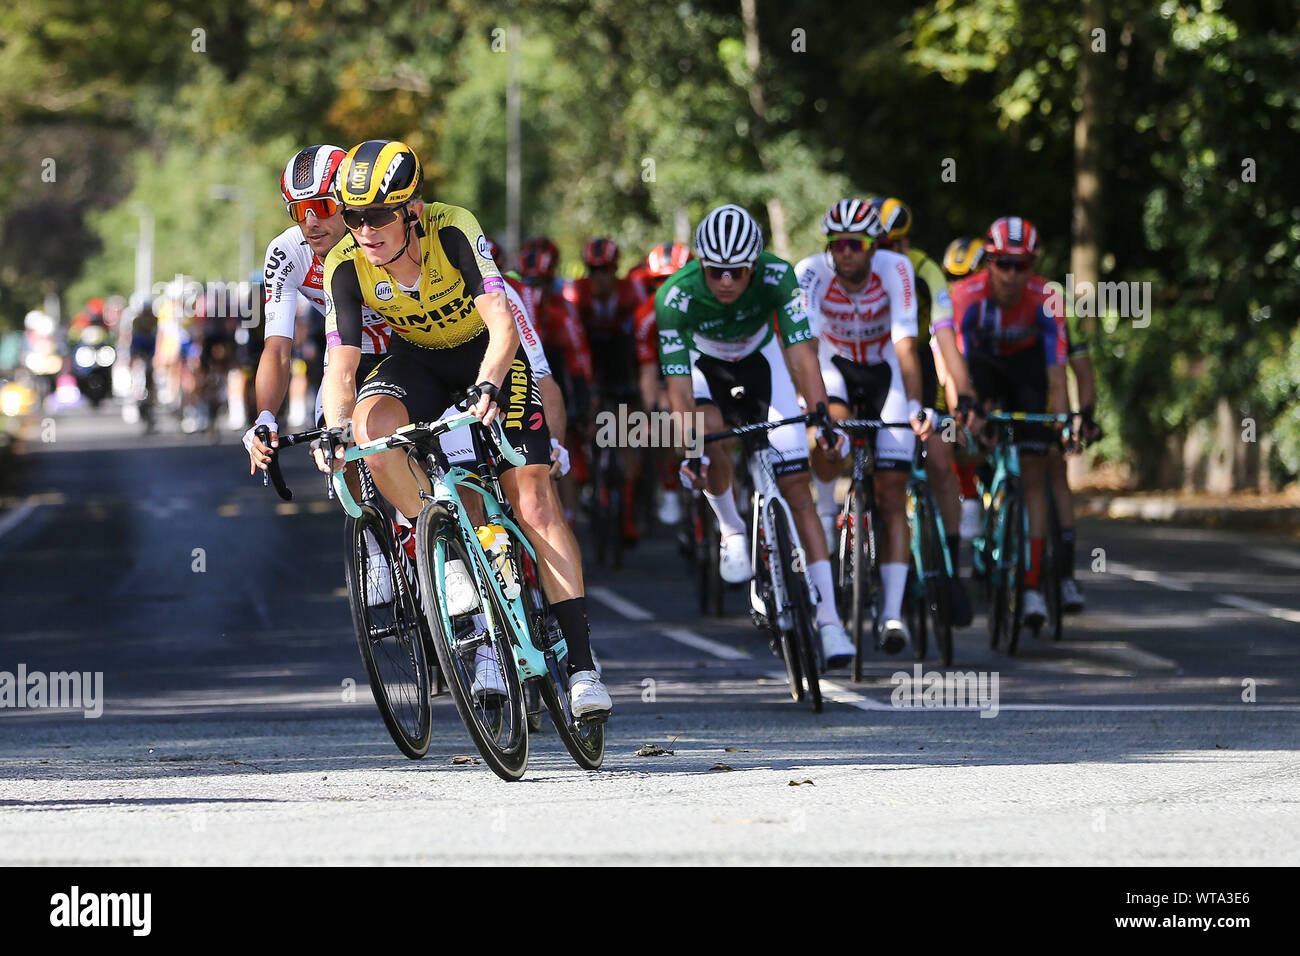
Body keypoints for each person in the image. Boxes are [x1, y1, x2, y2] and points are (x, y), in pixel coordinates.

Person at [316, 139, 610, 717]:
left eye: (377, 216)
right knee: (371, 432)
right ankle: (451, 560)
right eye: (353, 218)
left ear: (411, 212)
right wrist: (334, 428)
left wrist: (490, 386)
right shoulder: (346, 265)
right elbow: (342, 365)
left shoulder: (454, 231)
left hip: (486, 358)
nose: (364, 231)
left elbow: (503, 326)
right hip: (420, 361)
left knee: (533, 498)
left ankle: (581, 666)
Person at [656, 203, 854, 667]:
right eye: (717, 271)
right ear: (701, 265)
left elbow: (803, 354)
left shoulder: (777, 276)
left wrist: (821, 416)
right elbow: (680, 387)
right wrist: (691, 450)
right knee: (711, 438)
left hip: (763, 362)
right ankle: (730, 530)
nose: (727, 281)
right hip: (705, 368)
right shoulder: (673, 296)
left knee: (797, 492)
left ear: (755, 266)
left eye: (738, 271)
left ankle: (830, 622)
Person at [796, 199, 932, 654]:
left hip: (884, 368)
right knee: (829, 438)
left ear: (873, 247)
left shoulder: (896, 269)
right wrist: (813, 409)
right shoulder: (811, 272)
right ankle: (824, 508)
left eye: (855, 244)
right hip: (834, 366)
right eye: (837, 244)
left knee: (893, 490)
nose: (845, 253)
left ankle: (892, 613)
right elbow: (808, 346)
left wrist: (916, 404)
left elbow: (907, 345)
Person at [951, 216, 1071, 629]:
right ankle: (974, 501)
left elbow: (1057, 371)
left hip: (1026, 370)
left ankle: (1034, 586)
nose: (1012, 275)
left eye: (1022, 266)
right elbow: (958, 367)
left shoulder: (1047, 296)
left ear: (1033, 266)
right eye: (1003, 264)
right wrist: (966, 409)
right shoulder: (966, 294)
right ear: (988, 262)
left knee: (1035, 473)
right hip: (981, 366)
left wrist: (1061, 421)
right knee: (969, 428)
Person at [871, 198, 977, 626]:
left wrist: (964, 394)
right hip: (873, 373)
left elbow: (945, 336)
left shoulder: (925, 270)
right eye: (876, 243)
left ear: (906, 241)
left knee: (939, 457)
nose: (883, 252)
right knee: (879, 477)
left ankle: (951, 564)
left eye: (892, 244)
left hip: (918, 373)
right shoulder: (854, 271)